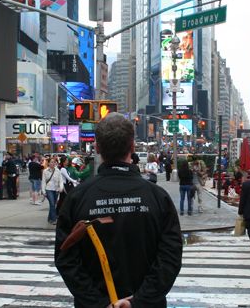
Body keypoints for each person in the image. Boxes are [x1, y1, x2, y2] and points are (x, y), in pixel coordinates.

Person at [55, 113, 182, 307]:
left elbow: (66, 259)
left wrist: (99, 303)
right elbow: (170, 258)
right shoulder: (158, 198)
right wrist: (139, 301)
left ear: (97, 148)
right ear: (132, 146)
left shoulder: (76, 198)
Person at [42, 157, 64, 225]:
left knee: (53, 205)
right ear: (48, 163)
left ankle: (49, 218)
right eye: (51, 162)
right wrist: (43, 191)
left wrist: (61, 187)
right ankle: (54, 219)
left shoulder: (58, 171)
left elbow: (61, 180)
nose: (53, 163)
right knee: (52, 204)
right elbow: (43, 182)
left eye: (54, 162)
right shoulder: (45, 171)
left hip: (56, 190)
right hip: (48, 189)